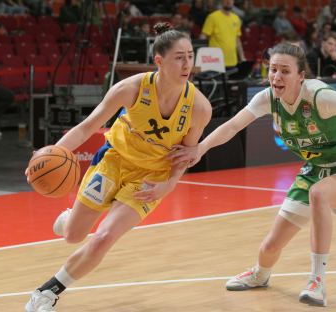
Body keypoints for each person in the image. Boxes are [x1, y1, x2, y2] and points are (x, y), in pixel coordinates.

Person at [169, 42, 336, 307]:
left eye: (285, 71)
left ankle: (317, 281)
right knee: (269, 248)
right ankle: (260, 275)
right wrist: (201, 148)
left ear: (300, 76)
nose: (276, 76)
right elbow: (233, 125)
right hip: (315, 170)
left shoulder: (320, 96)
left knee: (319, 194)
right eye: (273, 69)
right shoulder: (267, 98)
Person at [25, 23, 212, 312]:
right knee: (74, 236)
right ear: (159, 61)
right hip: (114, 161)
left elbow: (183, 157)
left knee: (104, 238)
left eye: (190, 55)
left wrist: (169, 185)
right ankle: (70, 218)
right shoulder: (130, 89)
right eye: (179, 57)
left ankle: (48, 292)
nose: (187, 63)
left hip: (152, 177)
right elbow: (87, 127)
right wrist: (47, 154)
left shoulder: (199, 108)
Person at [201, 0, 246, 69]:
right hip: (216, 61)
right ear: (222, 1)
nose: (228, 1)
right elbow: (203, 37)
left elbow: (237, 40)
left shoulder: (236, 18)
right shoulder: (212, 17)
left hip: (232, 62)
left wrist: (242, 57)